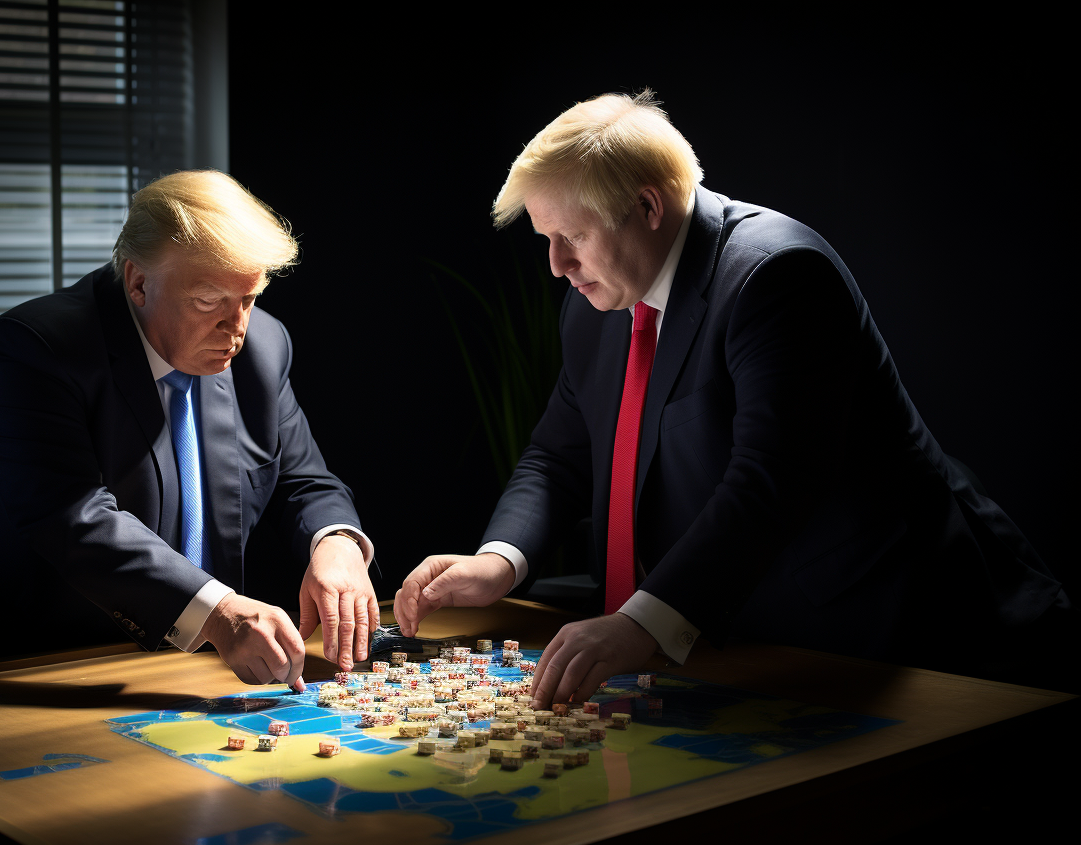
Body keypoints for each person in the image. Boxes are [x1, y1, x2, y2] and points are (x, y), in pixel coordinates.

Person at [394, 91, 1069, 703]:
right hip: (737, 637)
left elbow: (771, 481)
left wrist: (639, 623)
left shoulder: (778, 275)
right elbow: (558, 455)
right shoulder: (595, 302)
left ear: (648, 206)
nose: (557, 266)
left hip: (890, 638)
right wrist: (496, 562)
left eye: (571, 237)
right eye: (546, 241)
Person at [0, 170, 379, 686]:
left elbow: (304, 480)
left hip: (186, 662)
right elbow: (74, 519)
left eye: (248, 299)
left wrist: (335, 544)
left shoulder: (264, 348)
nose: (237, 328)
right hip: (18, 659)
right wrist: (220, 611)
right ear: (138, 282)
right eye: (209, 301)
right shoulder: (33, 349)